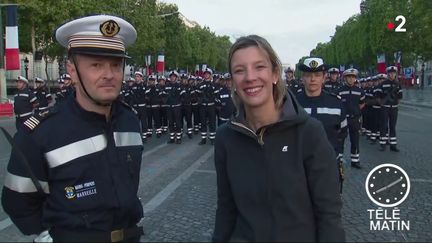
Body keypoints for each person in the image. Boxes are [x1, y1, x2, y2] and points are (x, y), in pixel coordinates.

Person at [2, 15, 144, 242]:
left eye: (116, 65)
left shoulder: (130, 120)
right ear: (73, 70)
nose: (109, 74)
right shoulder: (41, 133)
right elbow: (17, 202)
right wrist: (51, 235)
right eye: (96, 64)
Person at [213, 35, 345, 242]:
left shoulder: (310, 133)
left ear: (275, 73)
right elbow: (226, 211)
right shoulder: (224, 139)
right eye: (240, 70)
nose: (250, 77)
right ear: (233, 81)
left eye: (259, 67)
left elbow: (329, 215)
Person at [296, 57, 347, 194]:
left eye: (317, 75)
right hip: (299, 168)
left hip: (327, 166)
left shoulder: (336, 103)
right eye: (308, 75)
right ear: (303, 78)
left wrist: (337, 155)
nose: (313, 79)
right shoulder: (292, 103)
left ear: (324, 78)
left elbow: (342, 133)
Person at [337, 68, 365, 169]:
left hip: (354, 119)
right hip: (342, 119)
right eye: (349, 77)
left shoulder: (360, 91)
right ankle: (339, 158)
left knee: (355, 140)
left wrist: (356, 111)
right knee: (340, 139)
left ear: (355, 79)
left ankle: (355, 160)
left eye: (353, 77)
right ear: (345, 78)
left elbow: (362, 104)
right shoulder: (339, 91)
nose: (351, 79)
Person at [376, 66, 402, 152]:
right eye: (390, 73)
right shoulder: (382, 84)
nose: (392, 74)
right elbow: (378, 95)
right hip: (385, 107)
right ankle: (383, 144)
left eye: (393, 73)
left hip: (394, 108)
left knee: (392, 126)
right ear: (388, 74)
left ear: (395, 74)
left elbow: (400, 96)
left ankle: (393, 145)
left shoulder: (398, 84)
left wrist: (396, 103)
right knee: (383, 125)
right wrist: (382, 103)